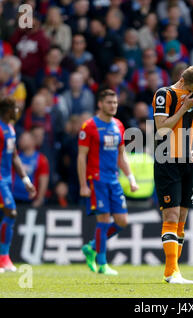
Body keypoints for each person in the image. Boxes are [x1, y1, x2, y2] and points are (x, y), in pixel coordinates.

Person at [152, 65, 193, 284]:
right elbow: (162, 129)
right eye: (191, 89)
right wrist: (184, 108)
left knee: (182, 220)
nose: (192, 94)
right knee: (171, 216)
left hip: (188, 162)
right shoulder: (163, 94)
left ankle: (174, 271)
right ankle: (170, 272)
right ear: (182, 81)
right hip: (167, 161)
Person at [77, 89, 139, 275]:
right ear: (100, 104)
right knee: (103, 220)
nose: (113, 106)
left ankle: (91, 247)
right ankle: (102, 264)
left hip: (114, 180)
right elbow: (81, 157)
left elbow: (122, 155)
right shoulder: (89, 126)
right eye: (109, 102)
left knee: (122, 221)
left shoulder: (118, 125)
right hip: (97, 179)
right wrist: (83, 184)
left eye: (115, 103)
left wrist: (131, 178)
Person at [0, 98, 36, 272]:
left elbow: (14, 157)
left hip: (7, 179)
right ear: (7, 110)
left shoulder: (10, 129)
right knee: (11, 212)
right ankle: (4, 257)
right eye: (16, 108)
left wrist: (26, 180)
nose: (18, 111)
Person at [12, 131, 50, 207]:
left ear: (33, 141)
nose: (20, 140)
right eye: (20, 138)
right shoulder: (15, 157)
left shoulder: (41, 159)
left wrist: (39, 199)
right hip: (13, 197)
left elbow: (43, 180)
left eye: (24, 139)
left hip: (30, 199)